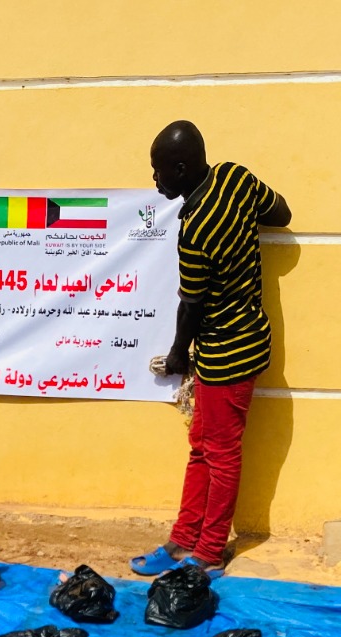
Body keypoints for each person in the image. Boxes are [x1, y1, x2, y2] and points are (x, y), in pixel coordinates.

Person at [132, 120, 291, 578]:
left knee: (219, 454)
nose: (155, 180)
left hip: (227, 353)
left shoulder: (197, 229)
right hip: (242, 340)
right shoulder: (235, 178)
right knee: (201, 447)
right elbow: (280, 212)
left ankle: (210, 551)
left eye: (160, 171)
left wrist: (177, 354)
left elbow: (192, 303)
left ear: (182, 169)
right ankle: (184, 538)